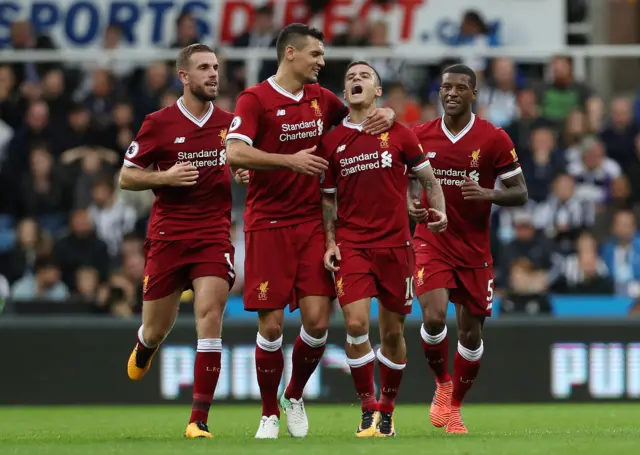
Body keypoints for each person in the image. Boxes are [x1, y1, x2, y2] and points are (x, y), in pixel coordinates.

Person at [225, 23, 395, 439]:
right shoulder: (255, 99)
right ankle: (268, 413)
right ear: (290, 54)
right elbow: (233, 151)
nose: (322, 62)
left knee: (318, 322)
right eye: (316, 54)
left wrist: (386, 113)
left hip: (314, 223)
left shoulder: (323, 100)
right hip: (267, 223)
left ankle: (294, 394)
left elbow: (362, 116)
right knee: (269, 327)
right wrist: (286, 161)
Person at [320, 61, 447, 438]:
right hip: (353, 245)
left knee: (392, 333)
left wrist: (437, 209)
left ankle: (388, 411)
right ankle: (367, 407)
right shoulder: (331, 142)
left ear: (377, 92)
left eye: (364, 76)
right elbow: (329, 201)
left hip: (396, 246)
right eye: (350, 78)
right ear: (345, 95)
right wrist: (330, 241)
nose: (356, 80)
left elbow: (428, 178)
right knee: (356, 325)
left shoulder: (401, 134)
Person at [119, 44, 235, 439]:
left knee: (210, 315)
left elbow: (246, 160)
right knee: (156, 328)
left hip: (213, 235)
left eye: (216, 67)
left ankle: (198, 419)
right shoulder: (159, 122)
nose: (213, 74)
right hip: (168, 237)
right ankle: (145, 345)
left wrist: (246, 173)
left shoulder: (231, 124)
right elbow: (127, 176)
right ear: (183, 76)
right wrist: (164, 178)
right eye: (204, 67)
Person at [410, 64, 528, 434]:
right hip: (432, 239)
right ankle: (443, 383)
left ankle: (456, 407)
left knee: (470, 335)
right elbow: (402, 182)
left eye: (460, 88)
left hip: (474, 248)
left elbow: (521, 191)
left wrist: (488, 193)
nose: (451, 93)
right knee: (432, 317)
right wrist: (411, 204)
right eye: (446, 87)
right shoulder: (419, 135)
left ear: (473, 93)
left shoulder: (493, 138)